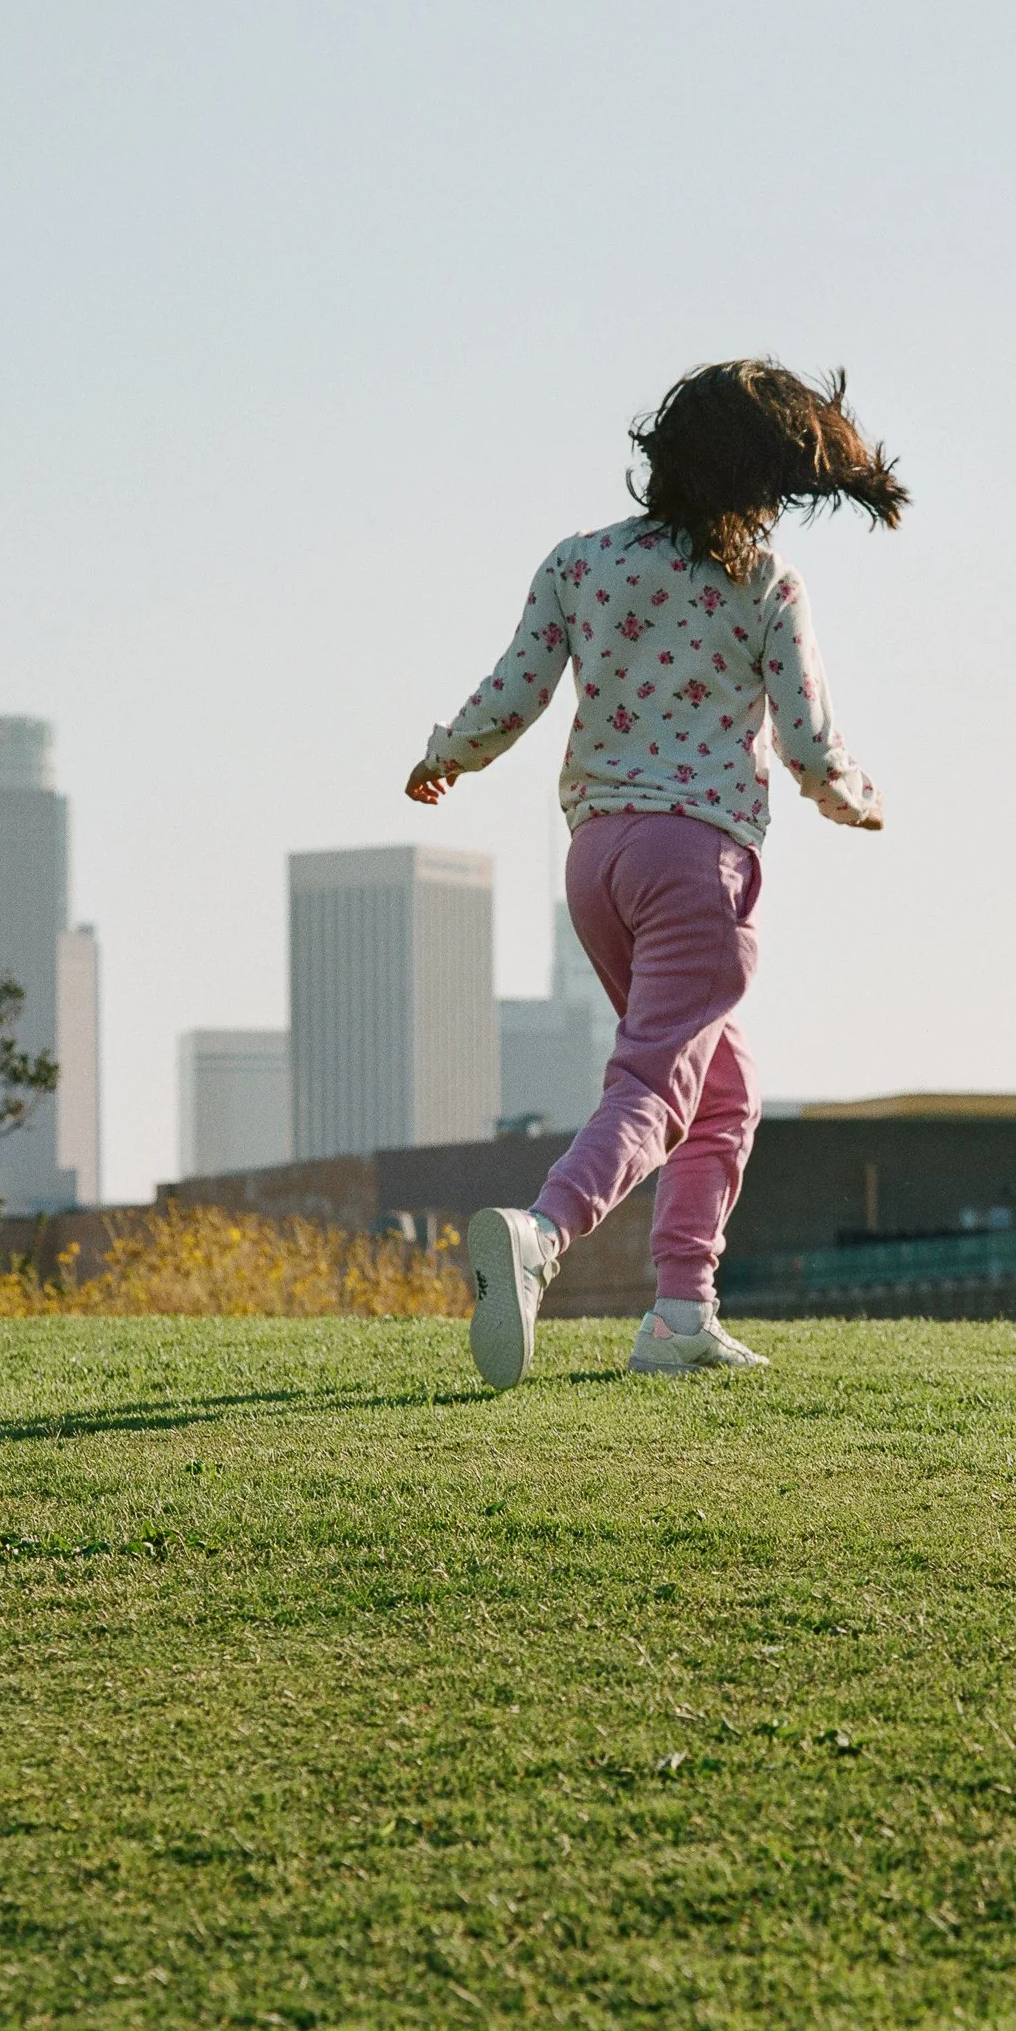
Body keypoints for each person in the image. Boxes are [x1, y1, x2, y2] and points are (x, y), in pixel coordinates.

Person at [405, 360, 905, 1388]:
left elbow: (515, 691)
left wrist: (445, 754)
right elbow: (808, 742)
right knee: (652, 1083)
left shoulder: (580, 561)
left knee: (718, 1088)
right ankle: (542, 1233)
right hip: (694, 859)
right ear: (764, 479)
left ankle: (680, 1314)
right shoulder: (765, 582)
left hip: (597, 862)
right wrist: (852, 794)